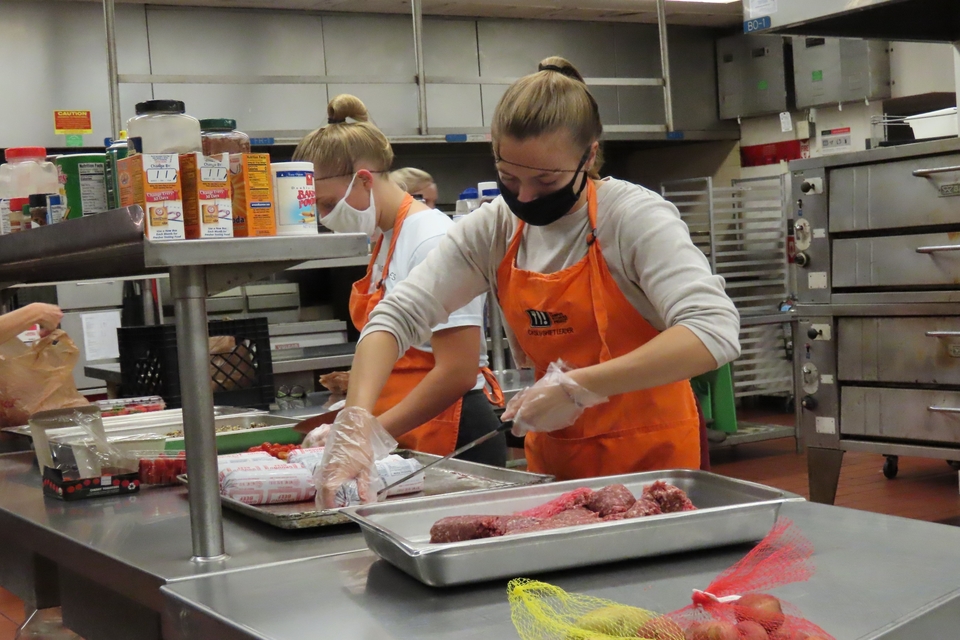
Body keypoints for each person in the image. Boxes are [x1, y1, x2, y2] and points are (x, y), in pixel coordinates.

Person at [313, 57, 741, 508]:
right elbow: (397, 316)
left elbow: (712, 332)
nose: (526, 197)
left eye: (546, 179)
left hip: (653, 463)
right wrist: (361, 423)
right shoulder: (494, 227)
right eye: (510, 178)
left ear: (589, 155)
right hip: (556, 468)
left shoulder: (631, 217)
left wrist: (580, 387)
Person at [293, 94, 506, 470]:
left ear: (363, 180)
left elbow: (457, 370)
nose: (324, 217)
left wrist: (370, 435)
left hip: (453, 434)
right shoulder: (385, 236)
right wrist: (350, 420)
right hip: (409, 430)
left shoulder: (430, 238)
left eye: (326, 204)